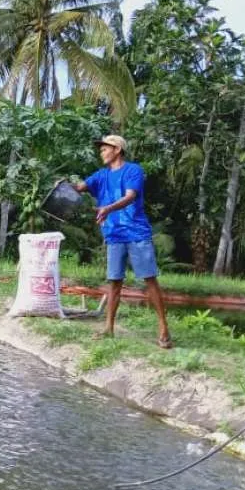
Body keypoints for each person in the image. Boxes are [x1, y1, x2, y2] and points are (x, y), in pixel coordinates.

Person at [71, 135, 172, 349]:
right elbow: (79, 187)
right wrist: (64, 185)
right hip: (114, 234)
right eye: (101, 149)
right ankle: (109, 327)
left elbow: (130, 196)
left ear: (117, 149)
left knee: (149, 279)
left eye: (105, 148)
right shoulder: (101, 175)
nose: (102, 152)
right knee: (114, 282)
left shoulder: (133, 170)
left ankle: (163, 326)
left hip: (136, 233)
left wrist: (107, 208)